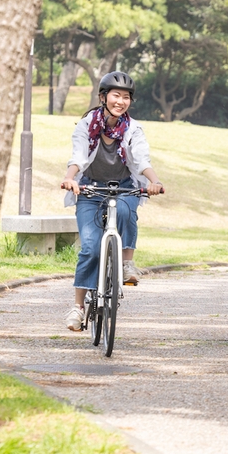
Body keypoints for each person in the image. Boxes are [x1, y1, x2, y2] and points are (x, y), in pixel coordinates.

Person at [60, 71, 164, 332]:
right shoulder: (86, 125)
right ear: (103, 97)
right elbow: (78, 155)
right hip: (89, 190)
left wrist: (154, 181)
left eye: (126, 97)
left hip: (124, 188)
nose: (121, 101)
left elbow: (141, 160)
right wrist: (70, 178)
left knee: (129, 213)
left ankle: (127, 262)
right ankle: (78, 306)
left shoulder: (133, 129)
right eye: (116, 95)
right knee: (91, 249)